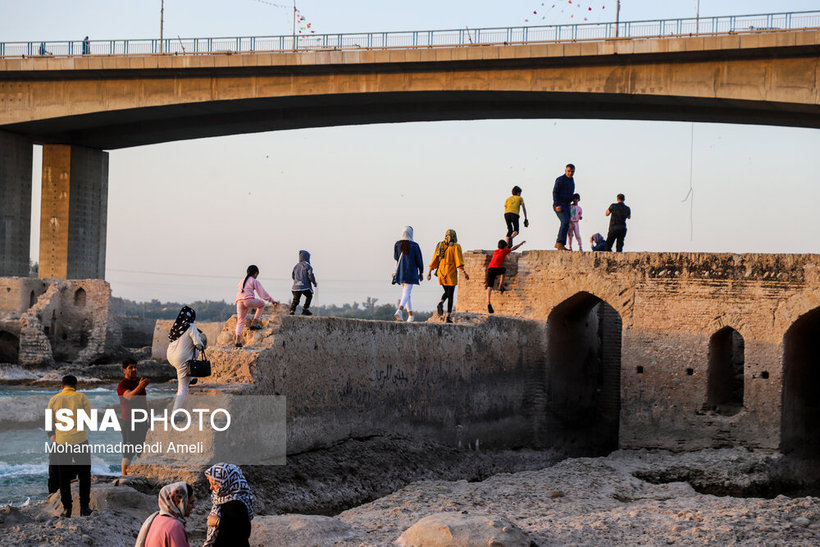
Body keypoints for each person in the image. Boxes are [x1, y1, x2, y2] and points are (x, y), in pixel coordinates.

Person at [47, 375, 92, 517]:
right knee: (84, 475)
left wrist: (53, 437)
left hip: (62, 442)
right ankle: (84, 508)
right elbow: (89, 419)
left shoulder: (54, 399)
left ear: (62, 386)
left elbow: (49, 423)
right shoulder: (82, 397)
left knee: (63, 477)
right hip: (80, 441)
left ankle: (67, 509)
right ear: (75, 386)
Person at [203, 463, 254, 547]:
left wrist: (217, 522)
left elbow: (242, 531)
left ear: (226, 482)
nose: (211, 488)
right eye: (210, 483)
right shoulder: (221, 501)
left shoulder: (236, 504)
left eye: (214, 483)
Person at [166, 306, 205, 412]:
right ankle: (175, 413)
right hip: (181, 358)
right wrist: (202, 346)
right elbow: (197, 343)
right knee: (183, 388)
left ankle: (191, 378)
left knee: (184, 375)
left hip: (170, 355)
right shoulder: (191, 326)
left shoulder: (177, 326)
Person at [427, 229, 469, 324]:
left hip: (441, 273)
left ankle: (441, 303)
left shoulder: (440, 245)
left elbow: (435, 260)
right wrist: (464, 272)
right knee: (450, 295)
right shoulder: (455, 246)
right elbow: (458, 261)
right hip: (450, 272)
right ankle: (448, 316)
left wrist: (429, 272)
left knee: (447, 291)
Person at [135, 482, 196, 547]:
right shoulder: (175, 527)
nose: (194, 506)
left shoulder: (156, 518)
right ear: (181, 503)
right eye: (191, 503)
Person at [117, 358, 150, 476]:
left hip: (142, 420)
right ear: (124, 370)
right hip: (129, 421)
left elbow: (144, 401)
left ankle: (139, 473)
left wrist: (148, 416)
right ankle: (123, 475)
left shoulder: (138, 382)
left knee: (142, 449)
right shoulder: (122, 385)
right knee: (128, 450)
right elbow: (129, 397)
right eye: (131, 367)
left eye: (135, 367)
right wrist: (140, 386)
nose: (134, 369)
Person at [235, 265, 278, 346]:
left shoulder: (241, 281)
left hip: (239, 302)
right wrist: (272, 300)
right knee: (262, 304)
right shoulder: (254, 281)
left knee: (240, 321)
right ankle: (254, 322)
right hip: (248, 301)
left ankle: (237, 340)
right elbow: (262, 294)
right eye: (257, 274)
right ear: (255, 273)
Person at [392, 226, 425, 322]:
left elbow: (396, 258)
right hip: (410, 272)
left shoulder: (397, 244)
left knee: (406, 294)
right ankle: (399, 310)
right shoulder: (414, 245)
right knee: (407, 293)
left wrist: (395, 272)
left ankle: (410, 316)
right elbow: (419, 260)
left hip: (400, 272)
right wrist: (421, 272)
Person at [486, 239, 525, 314]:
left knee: (489, 287)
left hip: (490, 269)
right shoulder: (504, 251)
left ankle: (488, 302)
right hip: (497, 268)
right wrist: (520, 244)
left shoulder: (495, 251)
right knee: (503, 271)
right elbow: (514, 248)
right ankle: (500, 285)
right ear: (504, 247)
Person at [552, 164, 576, 250]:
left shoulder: (572, 181)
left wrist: (574, 198)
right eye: (569, 171)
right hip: (559, 204)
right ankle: (559, 242)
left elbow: (570, 193)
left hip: (567, 205)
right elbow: (555, 192)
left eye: (572, 171)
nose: (570, 173)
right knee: (565, 221)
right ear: (565, 170)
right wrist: (557, 204)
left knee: (567, 223)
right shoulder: (560, 179)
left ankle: (561, 244)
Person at [290, 251, 318, 316]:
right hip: (305, 286)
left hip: (295, 286)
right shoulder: (308, 265)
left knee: (296, 299)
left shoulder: (296, 266)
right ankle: (305, 309)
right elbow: (311, 275)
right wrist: (314, 283)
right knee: (309, 296)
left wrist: (297, 281)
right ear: (307, 257)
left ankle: (292, 311)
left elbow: (293, 276)